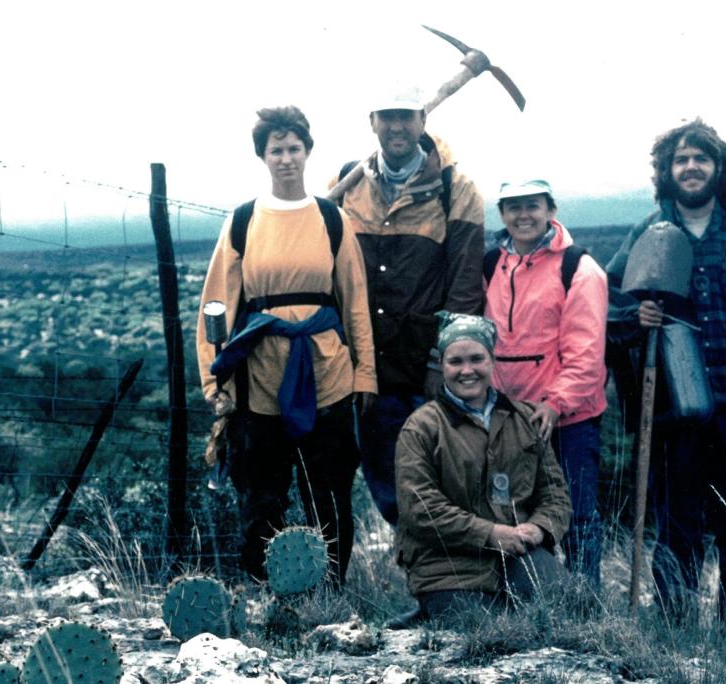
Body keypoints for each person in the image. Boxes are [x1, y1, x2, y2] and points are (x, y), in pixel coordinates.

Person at [606, 119, 726, 624]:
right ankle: (675, 624)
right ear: (667, 172)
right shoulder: (649, 234)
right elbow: (608, 302)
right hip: (674, 405)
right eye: (681, 160)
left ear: (720, 169)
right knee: (678, 521)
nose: (691, 167)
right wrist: (635, 317)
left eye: (701, 159)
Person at [196, 106, 377, 587]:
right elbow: (216, 302)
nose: (286, 158)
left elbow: (355, 303)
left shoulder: (333, 220)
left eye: (294, 148)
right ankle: (264, 590)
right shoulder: (243, 221)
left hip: (327, 373)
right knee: (261, 493)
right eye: (276, 149)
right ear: (263, 156)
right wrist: (215, 382)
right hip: (260, 377)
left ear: (308, 152)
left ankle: (332, 590)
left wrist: (365, 375)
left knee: (329, 489)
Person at [334, 89, 486, 526]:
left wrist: (444, 360)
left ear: (423, 120)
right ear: (372, 121)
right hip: (365, 364)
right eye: (387, 117)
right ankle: (417, 572)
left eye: (405, 117)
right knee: (385, 479)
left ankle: (449, 581)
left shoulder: (455, 188)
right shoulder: (348, 183)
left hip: (426, 365)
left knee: (443, 479)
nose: (396, 127)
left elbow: (464, 287)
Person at [395, 312, 571, 622]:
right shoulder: (421, 427)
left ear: (492, 360)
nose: (467, 371)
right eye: (455, 362)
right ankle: (428, 611)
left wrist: (540, 528)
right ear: (442, 365)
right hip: (447, 566)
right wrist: (488, 533)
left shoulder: (525, 419)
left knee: (570, 610)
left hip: (518, 555)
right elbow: (419, 508)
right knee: (486, 632)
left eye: (476, 359)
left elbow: (555, 494)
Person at [483, 180, 608, 587]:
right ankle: (535, 600)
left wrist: (555, 404)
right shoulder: (491, 266)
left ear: (550, 208)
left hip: (567, 419)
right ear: (501, 213)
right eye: (513, 206)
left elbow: (586, 353)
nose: (523, 215)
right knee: (517, 514)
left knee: (576, 514)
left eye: (532, 205)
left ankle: (585, 608)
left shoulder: (579, 268)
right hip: (509, 418)